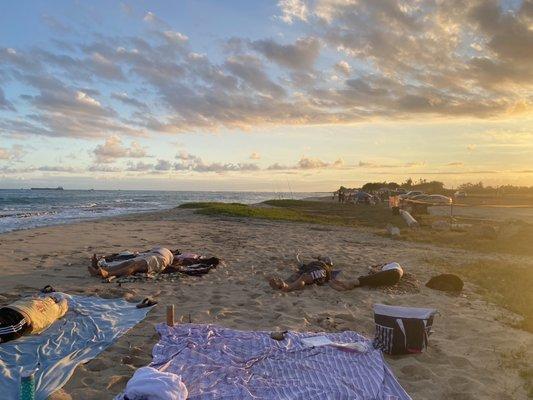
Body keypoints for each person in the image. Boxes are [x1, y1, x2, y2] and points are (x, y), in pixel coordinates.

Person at [268, 258, 404, 292]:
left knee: (303, 278)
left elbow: (331, 275)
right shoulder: (318, 266)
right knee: (299, 276)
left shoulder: (325, 267)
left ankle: (286, 287)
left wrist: (332, 281)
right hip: (311, 273)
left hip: (317, 274)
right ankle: (284, 285)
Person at [0, 291, 68, 344]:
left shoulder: (34, 299)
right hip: (20, 316)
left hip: (11, 311)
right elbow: (63, 305)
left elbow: (62, 305)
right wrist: (63, 300)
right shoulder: (54, 309)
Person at [89, 246, 174, 278]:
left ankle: (108, 274)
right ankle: (99, 270)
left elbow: (169, 265)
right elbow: (147, 250)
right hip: (149, 255)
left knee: (135, 266)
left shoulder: (171, 255)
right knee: (126, 263)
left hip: (159, 258)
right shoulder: (158, 248)